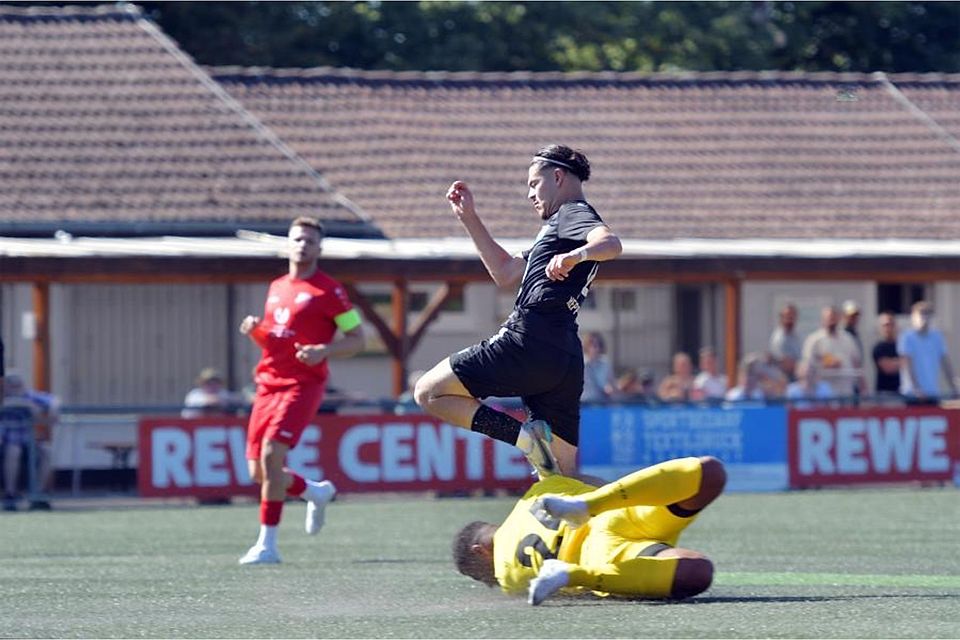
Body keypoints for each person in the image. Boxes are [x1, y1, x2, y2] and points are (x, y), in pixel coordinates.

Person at [415, 145, 622, 477]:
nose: (530, 194)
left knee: (429, 392)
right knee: (563, 480)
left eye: (534, 183)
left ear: (558, 177)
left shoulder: (572, 213)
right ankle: (629, 507)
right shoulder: (556, 230)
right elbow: (506, 272)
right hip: (564, 355)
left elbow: (611, 244)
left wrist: (576, 256)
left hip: (530, 339)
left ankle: (526, 440)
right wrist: (469, 218)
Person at [236, 216, 365, 565]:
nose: (303, 245)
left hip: (302, 386)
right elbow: (275, 341)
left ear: (319, 248)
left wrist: (324, 350)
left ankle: (267, 546)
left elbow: (358, 339)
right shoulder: (277, 287)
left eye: (310, 241)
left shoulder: (330, 291)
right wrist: (256, 331)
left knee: (271, 457)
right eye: (297, 239)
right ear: (288, 244)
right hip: (268, 384)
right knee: (259, 473)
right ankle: (314, 491)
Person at [452, 456, 726, 606]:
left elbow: (526, 587)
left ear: (480, 551)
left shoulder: (507, 578)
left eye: (481, 576)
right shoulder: (533, 495)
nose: (490, 582)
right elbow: (590, 480)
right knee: (711, 474)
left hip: (600, 558)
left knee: (697, 572)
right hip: (612, 515)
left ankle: (570, 574)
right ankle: (589, 505)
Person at [1, 371, 58, 511]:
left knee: (47, 451)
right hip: (6, 441)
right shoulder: (2, 397)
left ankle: (38, 494)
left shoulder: (29, 396)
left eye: (18, 385)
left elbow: (53, 400)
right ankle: (10, 494)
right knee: (13, 450)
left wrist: (50, 409)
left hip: (28, 441)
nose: (15, 389)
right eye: (11, 385)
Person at [898, 301, 958, 404]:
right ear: (913, 317)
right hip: (912, 395)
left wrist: (955, 387)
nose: (923, 318)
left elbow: (946, 364)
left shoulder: (937, 337)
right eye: (920, 314)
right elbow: (907, 365)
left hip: (932, 393)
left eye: (926, 314)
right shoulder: (906, 337)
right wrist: (916, 389)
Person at [801, 305, 863, 400]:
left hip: (845, 390)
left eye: (834, 317)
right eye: (829, 318)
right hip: (823, 391)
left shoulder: (848, 338)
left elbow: (857, 364)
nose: (831, 321)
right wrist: (825, 363)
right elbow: (807, 366)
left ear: (839, 318)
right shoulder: (814, 340)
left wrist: (863, 387)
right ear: (822, 319)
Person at [769, 303, 802, 380]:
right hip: (783, 379)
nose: (790, 319)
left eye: (792, 317)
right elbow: (785, 364)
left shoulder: (796, 335)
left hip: (797, 377)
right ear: (781, 318)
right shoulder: (778, 338)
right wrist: (802, 366)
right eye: (787, 317)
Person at [872, 312, 901, 397]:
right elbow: (888, 368)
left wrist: (896, 362)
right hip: (884, 394)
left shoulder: (902, 346)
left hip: (902, 393)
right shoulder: (878, 348)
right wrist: (903, 362)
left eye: (891, 324)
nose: (888, 328)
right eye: (885, 325)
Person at [581, 332, 616, 403]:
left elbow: (612, 382)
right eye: (592, 344)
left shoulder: (605, 363)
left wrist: (610, 389)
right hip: (585, 403)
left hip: (602, 403)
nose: (595, 348)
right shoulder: (581, 363)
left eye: (598, 345)